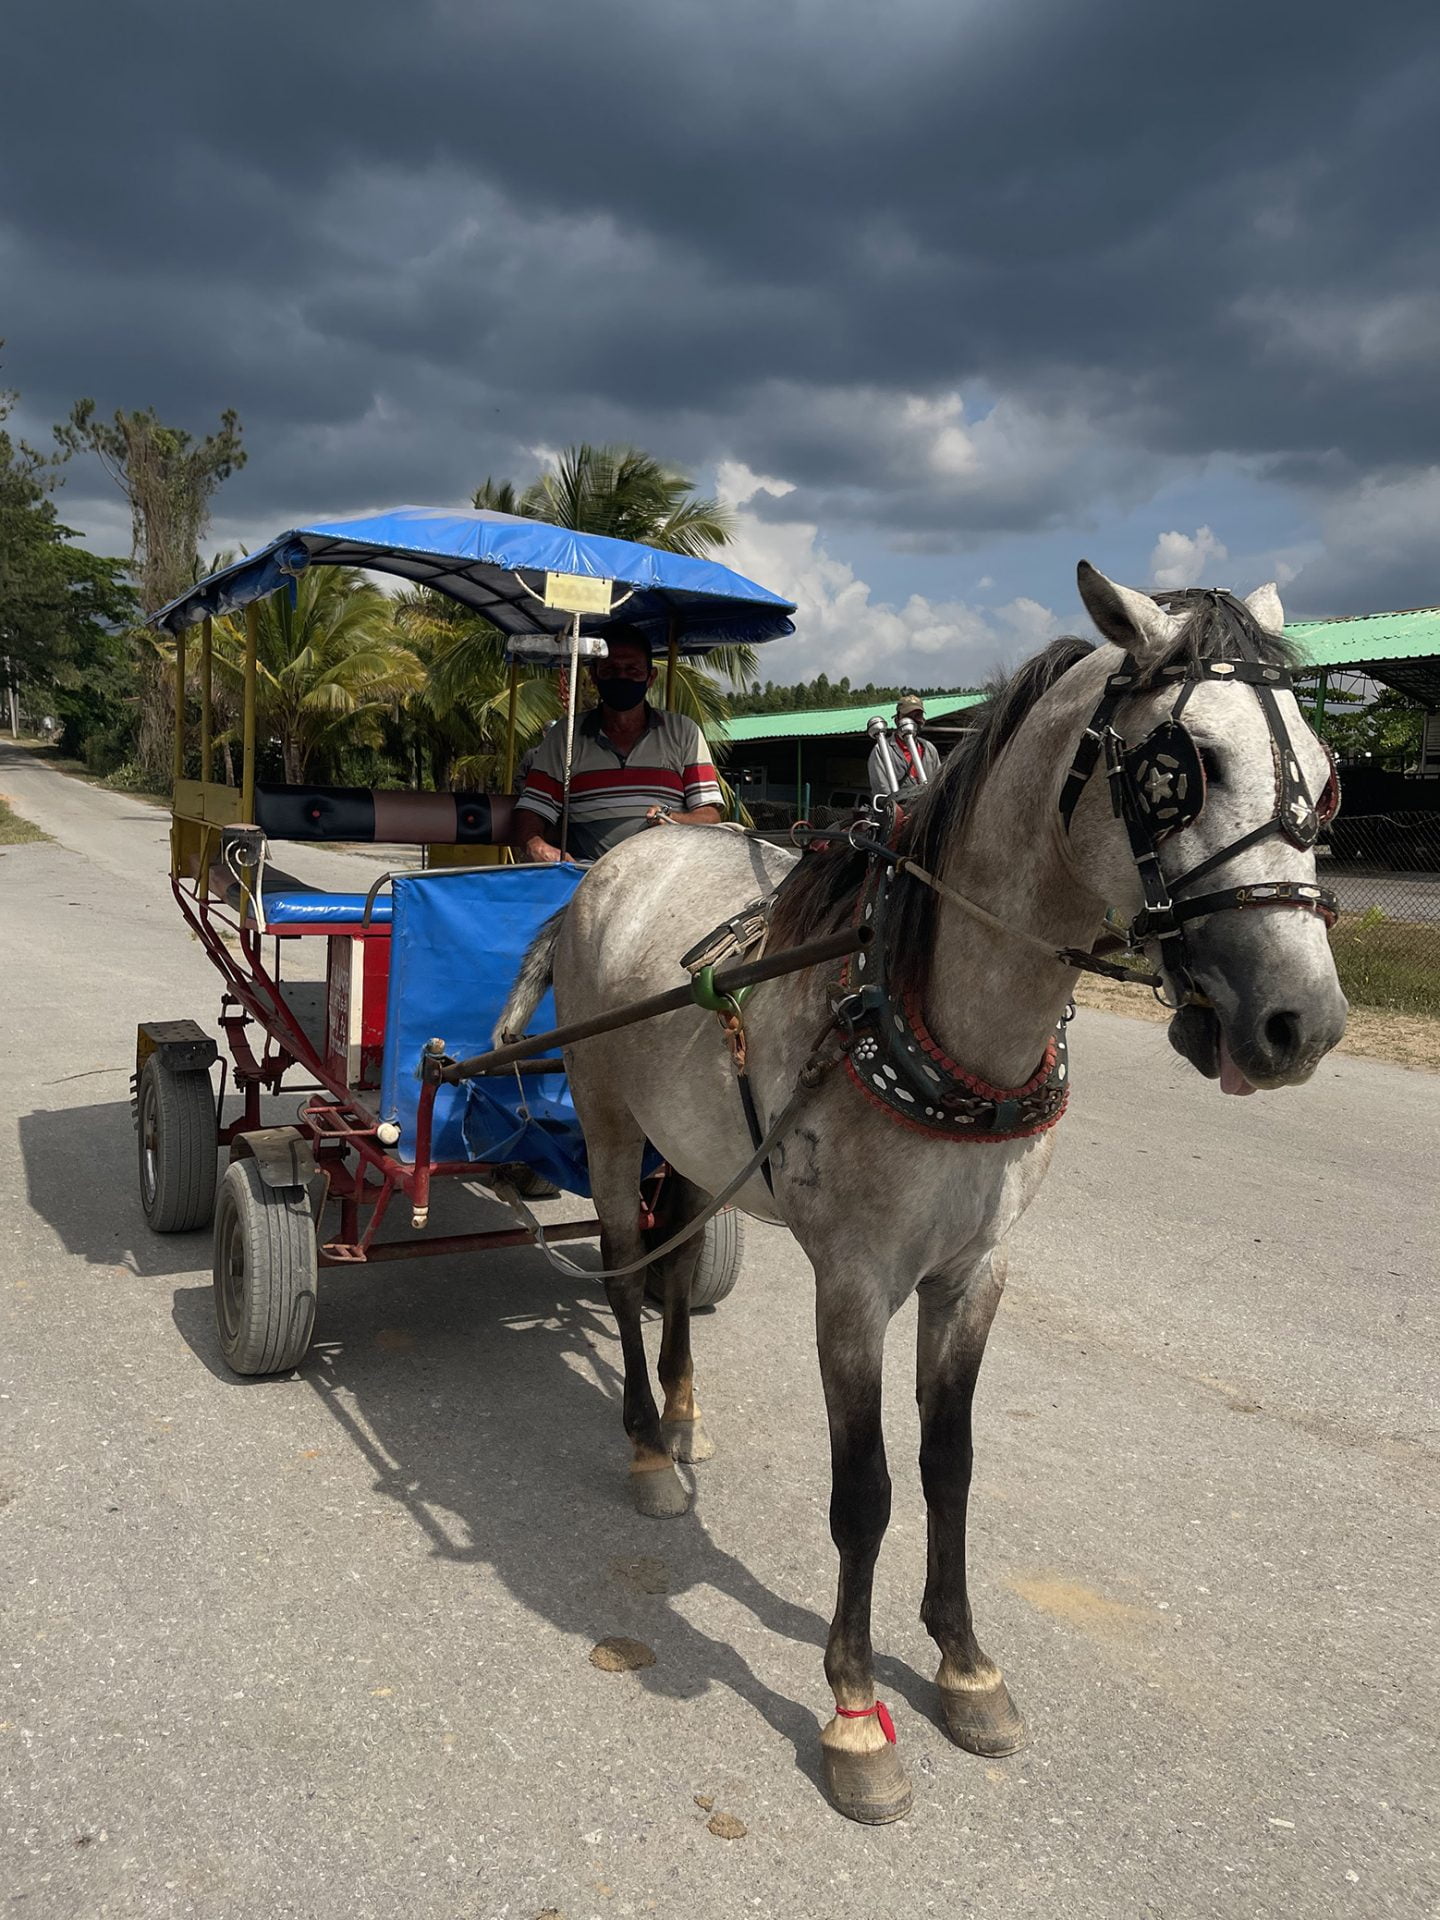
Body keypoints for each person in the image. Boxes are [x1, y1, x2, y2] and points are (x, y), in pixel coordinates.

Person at [511, 626, 724, 863]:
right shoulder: (566, 734)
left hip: (666, 878)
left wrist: (673, 818)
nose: (621, 677)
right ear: (594, 675)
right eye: (610, 669)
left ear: (650, 677)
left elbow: (709, 815)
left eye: (632, 670)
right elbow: (533, 808)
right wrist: (535, 844)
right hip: (587, 876)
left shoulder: (683, 732)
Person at [867, 693, 941, 798]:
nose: (913, 720)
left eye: (918, 716)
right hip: (897, 810)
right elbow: (882, 789)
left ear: (923, 721)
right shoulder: (882, 750)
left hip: (926, 810)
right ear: (897, 720)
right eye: (908, 716)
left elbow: (938, 783)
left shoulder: (929, 749)